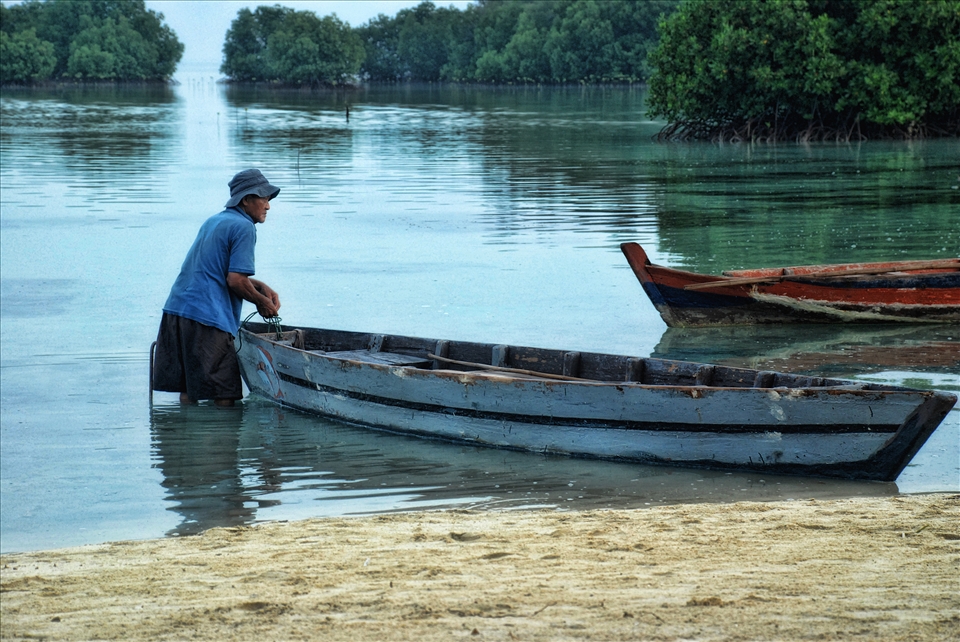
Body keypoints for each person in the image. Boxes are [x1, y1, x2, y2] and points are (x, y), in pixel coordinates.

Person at [153, 169, 282, 407]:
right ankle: (221, 442)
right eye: (263, 199)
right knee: (225, 394)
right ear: (246, 200)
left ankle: (182, 442)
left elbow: (214, 270)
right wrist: (261, 302)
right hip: (207, 318)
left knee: (189, 390)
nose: (268, 206)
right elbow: (234, 281)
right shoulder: (244, 227)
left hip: (177, 311)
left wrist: (260, 286)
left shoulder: (215, 221)